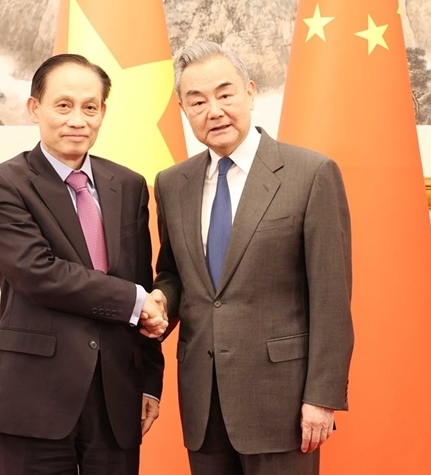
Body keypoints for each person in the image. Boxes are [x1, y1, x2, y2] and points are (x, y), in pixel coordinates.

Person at [151, 42, 353, 475]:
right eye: (197, 101)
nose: (214, 111)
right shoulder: (172, 184)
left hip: (282, 401)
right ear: (184, 110)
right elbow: (174, 273)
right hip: (203, 401)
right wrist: (161, 300)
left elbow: (331, 298)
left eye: (225, 94)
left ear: (250, 92)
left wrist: (322, 397)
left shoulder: (310, 174)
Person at [0, 53, 168, 475]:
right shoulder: (4, 183)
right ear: (34, 108)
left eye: (89, 107)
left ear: (102, 113)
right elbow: (38, 273)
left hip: (116, 398)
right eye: (63, 105)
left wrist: (150, 381)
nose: (78, 120)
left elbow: (141, 283)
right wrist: (135, 300)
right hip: (34, 396)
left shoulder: (129, 185)